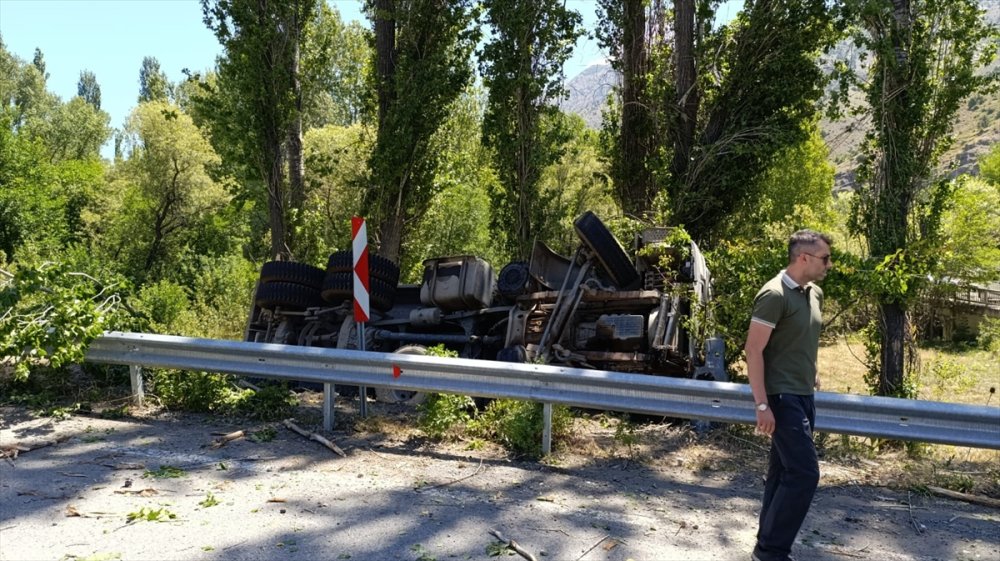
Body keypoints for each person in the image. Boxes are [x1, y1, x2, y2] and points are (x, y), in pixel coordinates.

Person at [746, 229, 833, 561]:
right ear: (804, 258)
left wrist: (812, 370)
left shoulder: (814, 293)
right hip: (781, 398)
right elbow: (753, 351)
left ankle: (765, 548)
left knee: (783, 472)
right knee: (804, 473)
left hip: (804, 395)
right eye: (825, 258)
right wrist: (762, 404)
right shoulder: (774, 294)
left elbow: (799, 339)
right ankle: (772, 551)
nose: (829, 264)